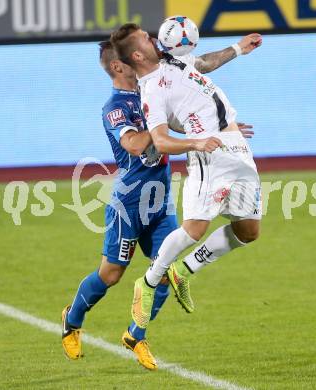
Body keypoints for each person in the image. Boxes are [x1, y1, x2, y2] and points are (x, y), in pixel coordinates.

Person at [62, 33, 260, 370]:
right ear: (118, 66)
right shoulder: (115, 107)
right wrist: (169, 132)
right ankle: (73, 318)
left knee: (164, 271)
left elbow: (188, 98)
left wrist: (219, 127)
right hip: (129, 202)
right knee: (110, 274)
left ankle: (136, 334)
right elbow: (135, 145)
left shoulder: (151, 87)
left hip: (160, 199)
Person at [110, 24, 262, 331]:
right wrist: (196, 142)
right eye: (145, 39)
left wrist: (237, 49)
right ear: (138, 54)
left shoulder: (172, 59)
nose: (153, 39)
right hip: (210, 155)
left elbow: (203, 63)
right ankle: (149, 283)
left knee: (248, 231)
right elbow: (161, 141)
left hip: (236, 147)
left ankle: (184, 269)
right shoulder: (151, 89)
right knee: (195, 228)